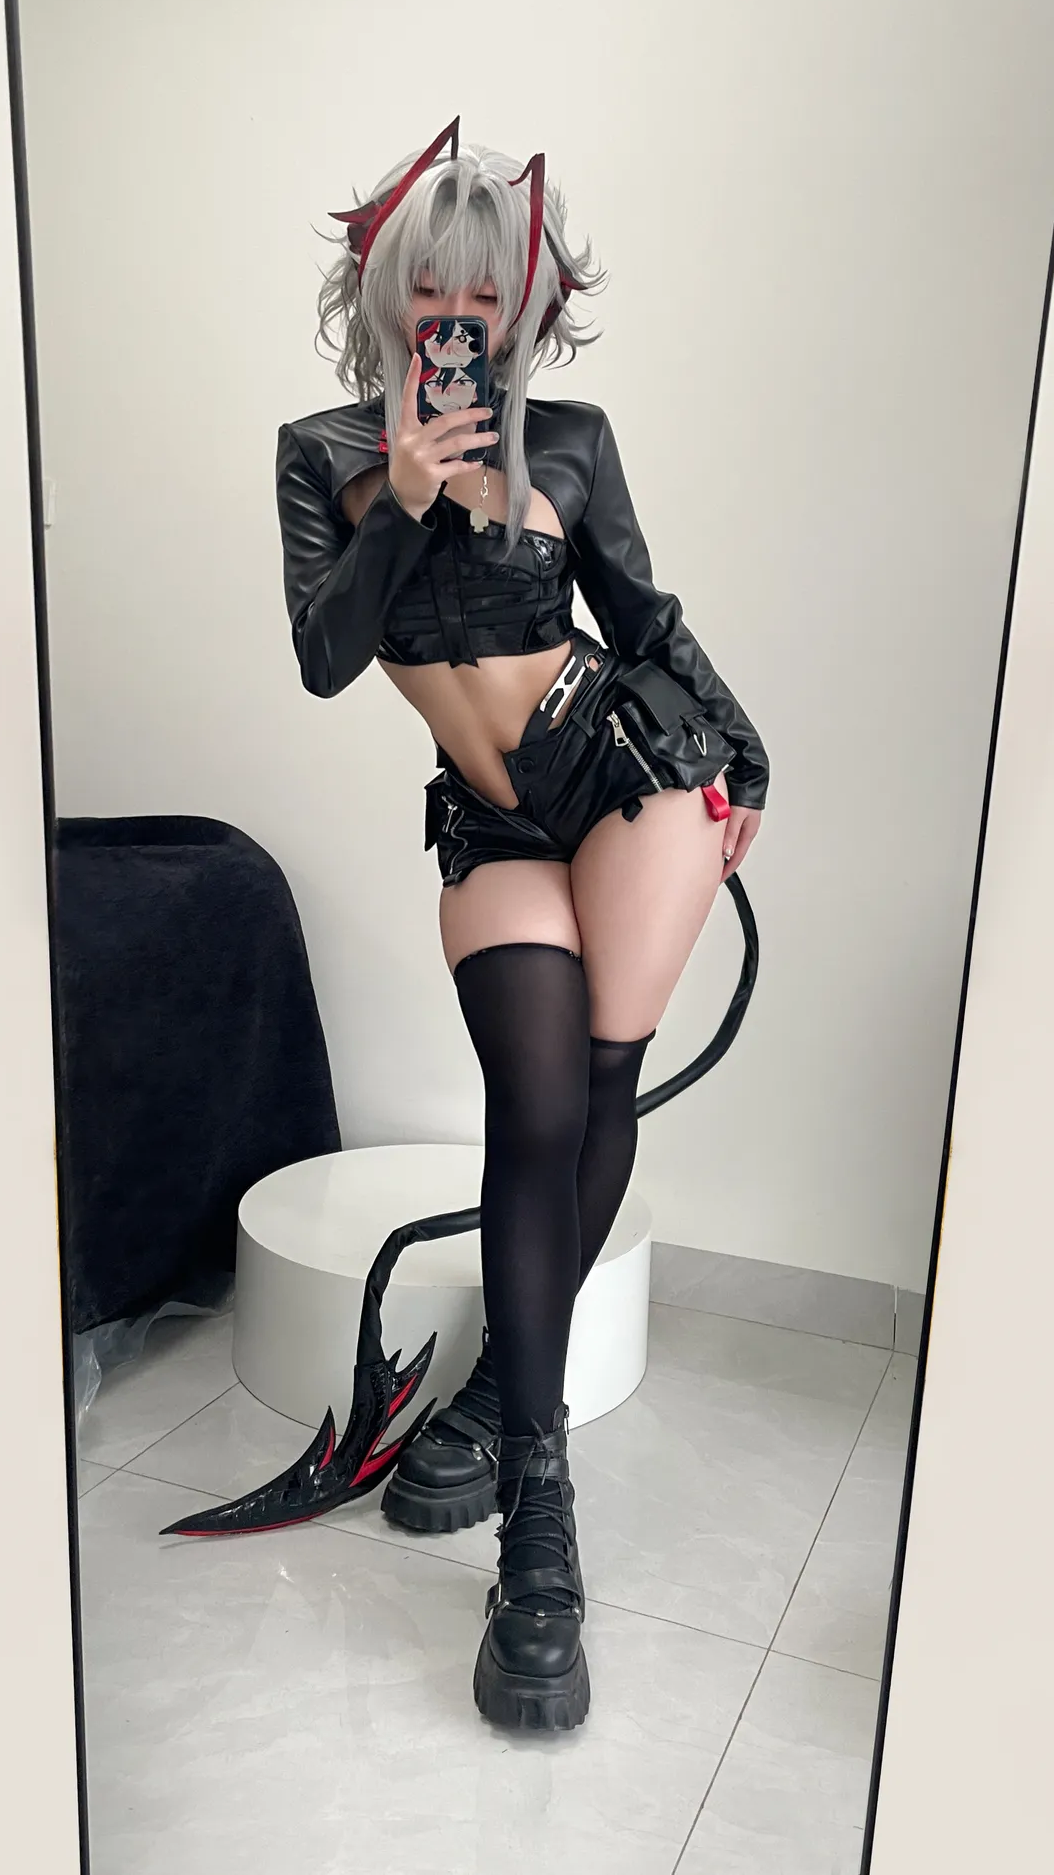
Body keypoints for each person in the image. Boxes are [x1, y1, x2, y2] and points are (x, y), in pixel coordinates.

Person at [276, 118, 769, 1732]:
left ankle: (532, 1512)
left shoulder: (574, 442)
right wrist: (406, 502)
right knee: (538, 1105)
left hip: (629, 775)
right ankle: (520, 1412)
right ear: (391, 295)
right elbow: (325, 657)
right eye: (435, 285)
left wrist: (747, 753)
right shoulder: (322, 454)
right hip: (494, 822)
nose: (460, 313)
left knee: (603, 1087)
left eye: (488, 290)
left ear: (522, 304)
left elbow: (644, 617)